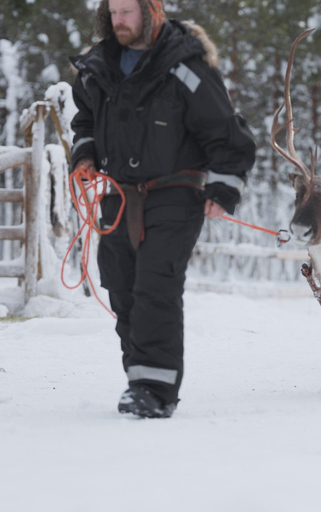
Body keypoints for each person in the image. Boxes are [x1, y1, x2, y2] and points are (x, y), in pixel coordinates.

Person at [70, 0, 256, 418]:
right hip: (118, 195)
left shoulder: (184, 66)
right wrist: (84, 155)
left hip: (175, 193)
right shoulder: (99, 67)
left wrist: (223, 189)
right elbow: (85, 120)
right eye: (113, 12)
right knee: (122, 287)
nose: (119, 20)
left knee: (155, 287)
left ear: (150, 11)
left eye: (127, 11)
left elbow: (228, 134)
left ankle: (154, 390)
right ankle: (139, 380)